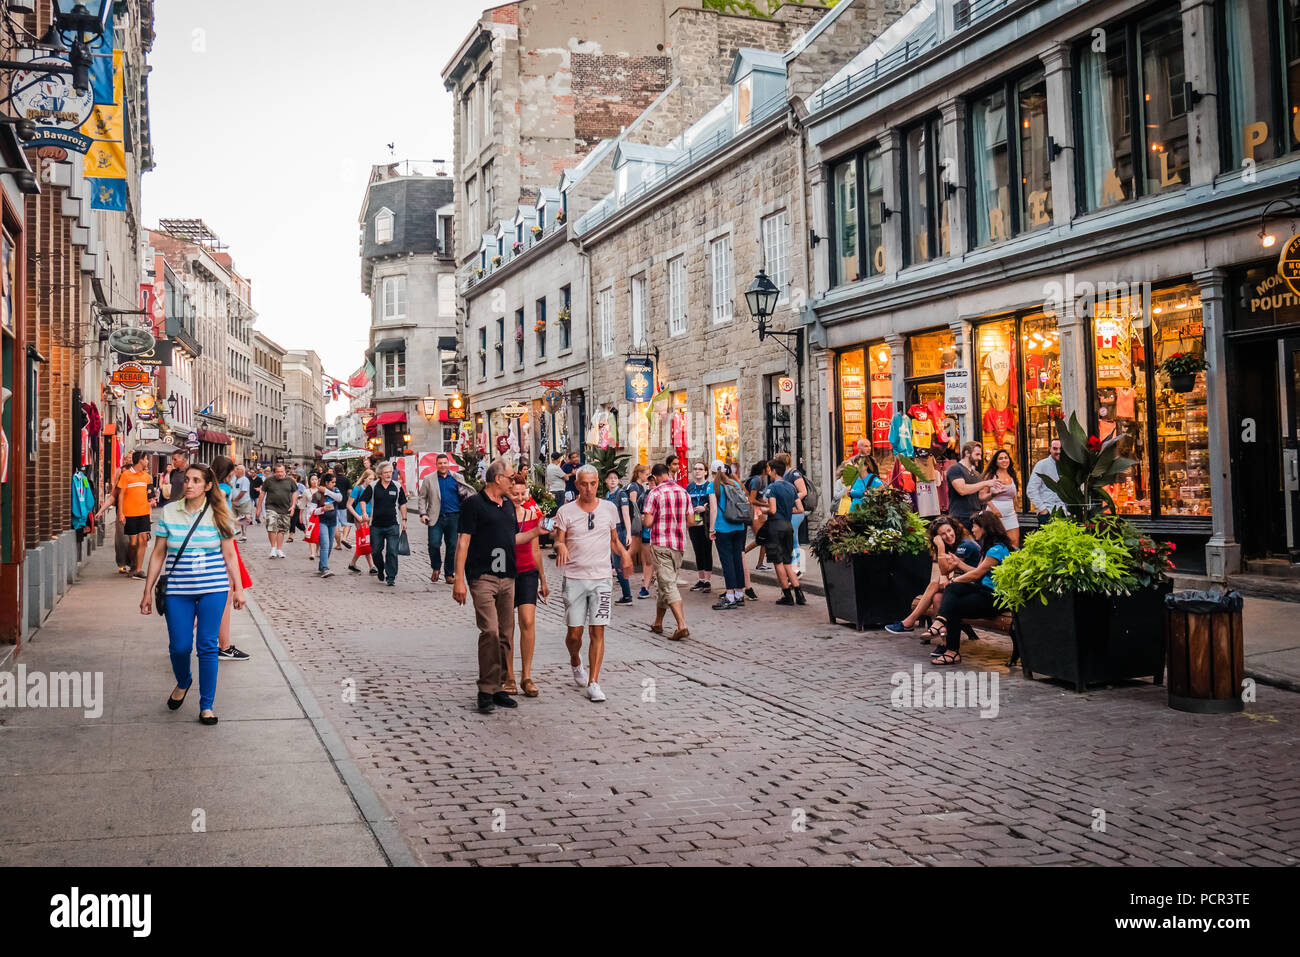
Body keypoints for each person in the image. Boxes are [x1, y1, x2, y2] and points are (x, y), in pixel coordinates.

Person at [139, 462, 246, 726]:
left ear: (208, 486)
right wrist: (148, 591)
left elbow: (230, 555)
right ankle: (184, 680)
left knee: (207, 646)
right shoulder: (169, 512)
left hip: (214, 589)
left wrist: (238, 589)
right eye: (187, 479)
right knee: (180, 646)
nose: (189, 484)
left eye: (196, 480)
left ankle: (206, 706)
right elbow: (158, 553)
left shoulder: (219, 512)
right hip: (178, 590)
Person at [452, 458, 543, 713]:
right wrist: (459, 579)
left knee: (506, 634)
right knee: (489, 631)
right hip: (483, 576)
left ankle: (501, 686)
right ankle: (485, 688)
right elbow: (463, 543)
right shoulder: (473, 504)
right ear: (498, 479)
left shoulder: (507, 507)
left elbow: (512, 538)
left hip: (508, 576)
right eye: (511, 477)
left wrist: (536, 532)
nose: (514, 482)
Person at [554, 464, 633, 701]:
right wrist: (561, 547)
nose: (588, 488)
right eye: (584, 484)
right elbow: (558, 540)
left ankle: (594, 682)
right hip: (575, 578)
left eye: (593, 484)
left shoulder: (609, 508)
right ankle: (576, 661)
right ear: (577, 485)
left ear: (598, 484)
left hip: (601, 579)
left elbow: (613, 540)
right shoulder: (565, 511)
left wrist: (625, 554)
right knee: (575, 634)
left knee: (597, 629)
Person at [926, 510, 1015, 665]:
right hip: (983, 590)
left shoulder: (997, 549)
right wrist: (958, 567)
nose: (972, 530)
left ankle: (951, 651)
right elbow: (975, 573)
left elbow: (976, 574)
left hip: (994, 597)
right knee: (952, 590)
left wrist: (953, 581)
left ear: (985, 527)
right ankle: (942, 625)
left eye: (975, 526)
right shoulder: (989, 547)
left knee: (953, 600)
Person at [885, 517, 982, 634]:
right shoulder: (953, 545)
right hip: (963, 584)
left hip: (976, 586)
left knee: (935, 583)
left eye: (949, 531)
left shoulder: (965, 545)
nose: (948, 535)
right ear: (938, 537)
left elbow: (945, 570)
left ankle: (909, 622)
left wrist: (941, 547)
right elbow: (945, 572)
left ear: (954, 529)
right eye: (943, 534)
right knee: (937, 598)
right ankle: (943, 643)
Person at [505, 475, 549, 697]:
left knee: (527, 621)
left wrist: (543, 578)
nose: (519, 498)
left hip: (527, 572)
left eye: (522, 494)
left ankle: (527, 675)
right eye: (515, 494)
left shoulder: (532, 515)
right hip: (505, 572)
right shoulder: (501, 514)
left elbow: (535, 549)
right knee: (507, 626)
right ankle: (509, 675)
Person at [639, 463, 691, 640]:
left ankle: (681, 625)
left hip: (661, 543)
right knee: (665, 582)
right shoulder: (683, 492)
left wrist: (645, 518)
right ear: (668, 473)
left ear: (654, 477)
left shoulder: (655, 493)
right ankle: (658, 622)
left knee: (668, 584)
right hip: (678, 544)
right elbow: (690, 520)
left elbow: (647, 522)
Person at [210, 455, 251, 661]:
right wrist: (236, 521)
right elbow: (222, 514)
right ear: (227, 473)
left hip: (214, 539)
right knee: (224, 594)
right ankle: (224, 646)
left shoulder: (209, 489)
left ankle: (222, 643)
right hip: (224, 540)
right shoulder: (223, 490)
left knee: (217, 596)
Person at [98, 450, 156, 578]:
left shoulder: (146, 477)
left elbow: (149, 496)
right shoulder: (125, 475)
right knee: (132, 543)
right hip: (130, 514)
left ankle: (138, 569)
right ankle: (131, 563)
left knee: (143, 540)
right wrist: (121, 513)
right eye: (146, 459)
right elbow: (120, 495)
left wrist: (151, 506)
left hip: (144, 513)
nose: (147, 462)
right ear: (140, 460)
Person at [418, 452, 470, 584]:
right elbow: (422, 497)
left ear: (449, 464)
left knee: (452, 546)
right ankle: (436, 567)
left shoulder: (457, 477)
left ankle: (449, 573)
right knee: (434, 544)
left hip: (454, 517)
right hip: (435, 517)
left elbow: (465, 495)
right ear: (436, 465)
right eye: (440, 463)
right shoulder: (429, 479)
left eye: (445, 463)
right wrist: (423, 513)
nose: (442, 465)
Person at [707, 460, 748, 610]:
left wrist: (711, 529)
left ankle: (730, 595)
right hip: (738, 525)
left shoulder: (712, 486)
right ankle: (739, 593)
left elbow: (713, 510)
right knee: (737, 559)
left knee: (727, 562)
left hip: (723, 528)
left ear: (712, 472)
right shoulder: (734, 484)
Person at [764, 458, 805, 606]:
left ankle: (787, 594)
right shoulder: (791, 487)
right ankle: (799, 593)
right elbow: (800, 509)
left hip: (776, 526)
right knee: (787, 561)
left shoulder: (773, 487)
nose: (769, 472)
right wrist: (788, 510)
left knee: (778, 562)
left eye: (770, 469)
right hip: (788, 526)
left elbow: (772, 509)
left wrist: (762, 509)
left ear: (774, 471)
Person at [364, 461, 407, 587]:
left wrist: (404, 520)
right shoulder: (372, 486)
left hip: (393, 524)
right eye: (386, 472)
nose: (389, 474)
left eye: (390, 472)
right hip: (376, 525)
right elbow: (362, 500)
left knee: (392, 551)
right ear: (380, 474)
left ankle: (391, 576)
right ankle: (381, 568)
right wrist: (364, 513)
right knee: (376, 551)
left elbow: (403, 503)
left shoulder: (397, 487)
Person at [946, 442, 997, 527]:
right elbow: (962, 490)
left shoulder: (976, 474)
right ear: (967, 453)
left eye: (980, 455)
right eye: (977, 454)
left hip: (976, 518)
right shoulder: (955, 469)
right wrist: (985, 483)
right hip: (959, 518)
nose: (980, 458)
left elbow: (980, 498)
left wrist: (993, 494)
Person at [775, 452, 809, 577]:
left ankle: (797, 567)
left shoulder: (794, 474)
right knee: (789, 539)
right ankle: (792, 566)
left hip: (795, 511)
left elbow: (803, 491)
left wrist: (789, 499)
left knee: (793, 539)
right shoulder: (783, 475)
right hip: (787, 511)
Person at [981, 447, 1021, 547]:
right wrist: (994, 509)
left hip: (1010, 513)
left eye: (1006, 458)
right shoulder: (991, 476)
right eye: (1000, 458)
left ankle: (1011, 562)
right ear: (996, 462)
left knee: (1015, 542)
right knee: (997, 543)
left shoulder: (1011, 475)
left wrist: (1016, 511)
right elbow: (982, 495)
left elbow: (1013, 496)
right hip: (994, 514)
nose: (1004, 460)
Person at [683, 462, 714, 592]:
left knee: (707, 550)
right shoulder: (689, 487)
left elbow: (714, 504)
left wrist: (704, 508)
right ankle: (701, 579)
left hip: (705, 523)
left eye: (700, 469)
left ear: (706, 472)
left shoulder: (709, 486)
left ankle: (707, 580)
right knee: (697, 550)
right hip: (693, 523)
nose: (697, 471)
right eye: (695, 469)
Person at [605, 469, 634, 605]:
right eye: (610, 478)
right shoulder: (607, 495)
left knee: (619, 564)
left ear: (618, 481)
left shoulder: (621, 494)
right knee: (616, 564)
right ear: (606, 481)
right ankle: (626, 594)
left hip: (620, 531)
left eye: (615, 478)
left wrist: (628, 533)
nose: (612, 480)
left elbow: (626, 515)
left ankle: (627, 595)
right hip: (611, 531)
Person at [259, 463, 298, 559]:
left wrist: (293, 506)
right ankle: (273, 548)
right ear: (274, 472)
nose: (280, 474)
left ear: (285, 471)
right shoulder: (269, 481)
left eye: (282, 472)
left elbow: (294, 493)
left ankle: (279, 549)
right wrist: (258, 507)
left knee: (282, 529)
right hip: (271, 507)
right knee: (271, 526)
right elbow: (262, 493)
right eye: (278, 472)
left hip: (285, 508)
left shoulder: (290, 481)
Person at [626, 463, 653, 598]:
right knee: (635, 548)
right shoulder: (635, 487)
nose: (647, 477)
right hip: (638, 522)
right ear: (639, 474)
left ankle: (646, 577)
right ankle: (618, 568)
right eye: (646, 474)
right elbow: (633, 505)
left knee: (643, 552)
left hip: (641, 523)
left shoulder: (641, 487)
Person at [346, 468, 376, 575]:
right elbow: (348, 505)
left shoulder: (373, 489)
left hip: (371, 518)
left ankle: (352, 563)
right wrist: (357, 516)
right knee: (365, 541)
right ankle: (372, 566)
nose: (372, 481)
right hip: (360, 518)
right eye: (370, 479)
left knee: (364, 542)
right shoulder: (357, 489)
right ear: (364, 479)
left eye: (373, 479)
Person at [313, 472, 342, 578]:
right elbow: (312, 511)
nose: (334, 484)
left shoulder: (335, 490)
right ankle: (325, 568)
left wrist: (327, 491)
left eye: (335, 482)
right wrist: (322, 509)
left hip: (333, 521)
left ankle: (321, 565)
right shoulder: (317, 494)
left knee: (329, 545)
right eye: (332, 482)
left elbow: (339, 498)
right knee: (324, 544)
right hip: (322, 521)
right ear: (326, 482)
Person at [1026, 438, 1065, 516]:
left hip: (1065, 512)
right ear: (1049, 449)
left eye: (1060, 449)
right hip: (1048, 511)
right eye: (1055, 449)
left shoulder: (1068, 466)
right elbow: (1031, 489)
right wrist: (1043, 509)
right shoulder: (1041, 465)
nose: (1058, 451)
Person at [745, 462, 770, 571]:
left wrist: (762, 501)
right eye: (768, 466)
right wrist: (765, 504)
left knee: (765, 537)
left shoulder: (761, 479)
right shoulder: (757, 480)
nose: (770, 468)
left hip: (757, 509)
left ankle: (760, 564)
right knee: (761, 538)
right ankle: (740, 554)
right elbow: (751, 500)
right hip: (752, 510)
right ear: (764, 469)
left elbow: (756, 498)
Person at [230, 464, 253, 543]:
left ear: (242, 471)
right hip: (234, 502)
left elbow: (243, 491)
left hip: (243, 502)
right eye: (235, 469)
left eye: (237, 469)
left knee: (243, 518)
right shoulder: (234, 479)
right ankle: (236, 531)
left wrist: (236, 499)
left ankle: (244, 535)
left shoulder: (244, 479)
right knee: (233, 517)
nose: (235, 470)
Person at [302, 473, 321, 563]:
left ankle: (317, 550)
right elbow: (303, 504)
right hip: (309, 514)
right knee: (310, 533)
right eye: (312, 479)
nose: (314, 481)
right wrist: (300, 516)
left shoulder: (321, 490)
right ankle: (312, 553)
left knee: (319, 533)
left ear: (318, 480)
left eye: (316, 479)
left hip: (320, 513)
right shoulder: (306, 491)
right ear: (310, 481)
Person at [333, 468, 353, 550]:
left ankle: (338, 545)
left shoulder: (333, 480)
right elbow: (350, 492)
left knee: (336, 526)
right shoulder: (347, 480)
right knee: (347, 523)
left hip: (334, 504)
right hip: (344, 504)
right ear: (343, 471)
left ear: (335, 471)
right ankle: (344, 538)